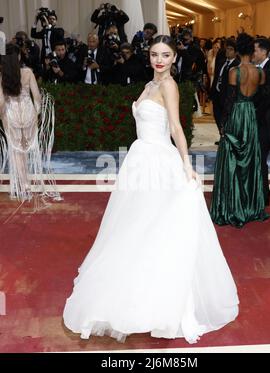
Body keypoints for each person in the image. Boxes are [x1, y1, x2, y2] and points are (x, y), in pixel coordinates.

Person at [63, 35, 239, 344]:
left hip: (158, 161)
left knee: (152, 225)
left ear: (174, 58)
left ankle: (158, 299)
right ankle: (134, 288)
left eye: (166, 54)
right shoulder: (149, 86)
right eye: (155, 54)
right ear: (150, 56)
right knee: (134, 225)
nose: (159, 59)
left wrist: (186, 164)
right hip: (140, 157)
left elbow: (175, 127)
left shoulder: (169, 86)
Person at [210, 33, 270, 228]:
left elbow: (229, 100)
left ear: (237, 50)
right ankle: (248, 204)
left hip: (236, 114)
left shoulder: (234, 72)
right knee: (249, 161)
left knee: (232, 159)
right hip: (250, 116)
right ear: (251, 50)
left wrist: (223, 125)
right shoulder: (260, 73)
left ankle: (230, 205)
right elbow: (261, 99)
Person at [0, 44, 61, 208]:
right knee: (26, 148)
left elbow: (0, 102)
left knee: (17, 151)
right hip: (28, 114)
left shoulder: (2, 76)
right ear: (19, 56)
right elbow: (38, 98)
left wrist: (3, 117)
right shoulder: (27, 73)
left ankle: (23, 184)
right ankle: (26, 182)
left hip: (12, 115)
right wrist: (37, 114)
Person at [253, 38, 270, 206]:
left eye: (255, 50)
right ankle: (258, 194)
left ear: (263, 52)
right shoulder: (255, 69)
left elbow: (269, 98)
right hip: (257, 121)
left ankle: (263, 196)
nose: (252, 53)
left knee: (261, 160)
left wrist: (252, 111)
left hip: (265, 122)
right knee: (256, 160)